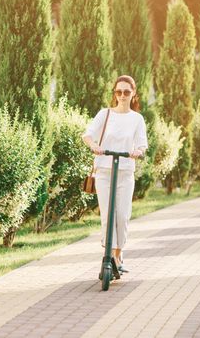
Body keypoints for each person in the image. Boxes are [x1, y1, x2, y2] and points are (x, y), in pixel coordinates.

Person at [82, 75, 148, 273]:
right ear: (115, 94)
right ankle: (108, 256)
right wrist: (94, 145)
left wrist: (138, 151)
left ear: (133, 93)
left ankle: (118, 255)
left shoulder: (137, 119)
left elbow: (142, 143)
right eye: (118, 92)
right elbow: (88, 134)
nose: (122, 96)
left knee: (122, 215)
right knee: (107, 216)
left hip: (125, 172)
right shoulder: (105, 114)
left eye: (126, 92)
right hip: (103, 171)